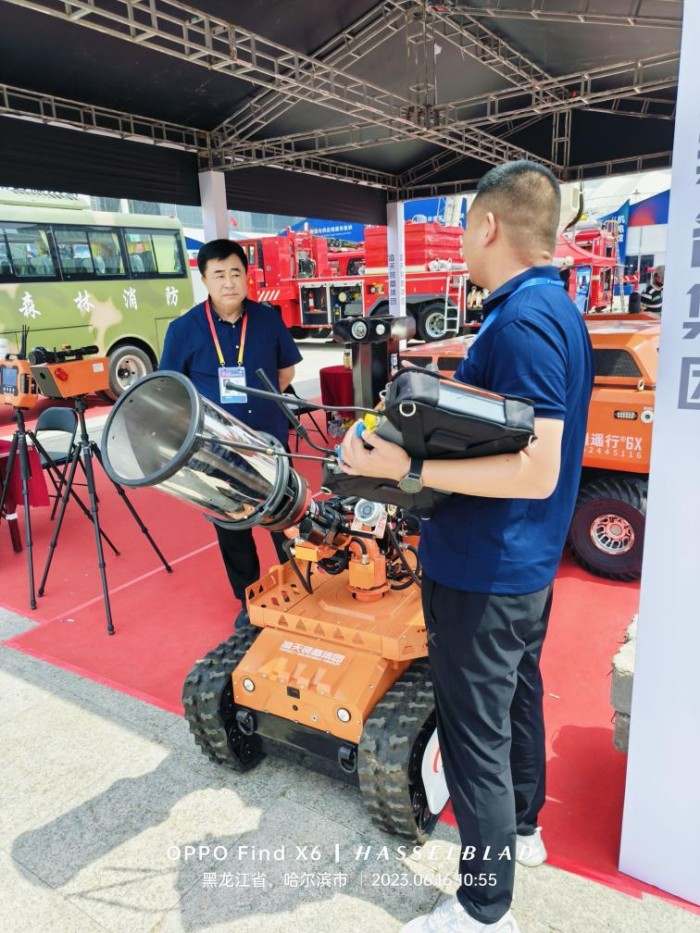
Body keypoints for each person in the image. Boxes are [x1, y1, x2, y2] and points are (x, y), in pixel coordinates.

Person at [341, 161, 593, 933]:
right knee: (516, 700)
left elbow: (537, 466)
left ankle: (484, 908)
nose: (459, 243)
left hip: (486, 570)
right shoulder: (552, 308)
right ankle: (524, 827)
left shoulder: (520, 323)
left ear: (488, 225)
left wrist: (408, 470)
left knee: (474, 738)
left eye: (462, 228)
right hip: (521, 564)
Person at [159, 239, 302, 630]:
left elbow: (286, 372)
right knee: (233, 526)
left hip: (268, 442)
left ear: (247, 276)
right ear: (205, 279)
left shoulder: (268, 319)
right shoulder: (183, 330)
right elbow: (172, 389)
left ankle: (299, 585)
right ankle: (249, 597)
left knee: (285, 517)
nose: (228, 282)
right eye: (219, 274)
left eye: (236, 273)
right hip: (218, 447)